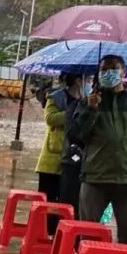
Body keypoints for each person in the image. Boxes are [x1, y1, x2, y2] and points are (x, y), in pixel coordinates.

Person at [70, 54, 127, 254]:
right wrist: (91, 109)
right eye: (103, 70)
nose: (108, 73)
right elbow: (76, 135)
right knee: (88, 231)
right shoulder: (89, 101)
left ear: (123, 72)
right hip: (95, 177)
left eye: (113, 69)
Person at [36, 74, 82, 230]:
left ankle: (59, 232)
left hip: (73, 159)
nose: (90, 82)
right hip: (53, 157)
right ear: (78, 80)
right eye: (88, 79)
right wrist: (72, 113)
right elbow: (50, 119)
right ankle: (46, 232)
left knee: (66, 201)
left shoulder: (86, 99)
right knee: (49, 199)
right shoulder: (56, 97)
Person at [51, 74, 85, 217]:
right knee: (68, 204)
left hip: (94, 166)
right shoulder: (60, 99)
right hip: (70, 158)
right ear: (79, 80)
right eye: (89, 80)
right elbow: (73, 133)